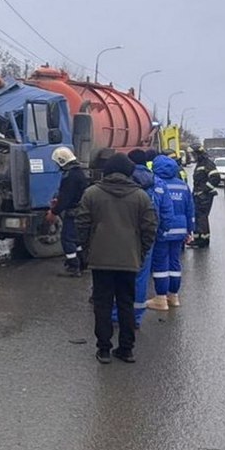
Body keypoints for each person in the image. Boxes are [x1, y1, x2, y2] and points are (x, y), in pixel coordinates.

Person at [76, 153, 157, 364]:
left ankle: (103, 349)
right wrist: (140, 252)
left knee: (102, 304)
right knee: (126, 304)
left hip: (100, 259)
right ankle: (126, 349)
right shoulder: (141, 196)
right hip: (129, 260)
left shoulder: (91, 193)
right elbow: (150, 227)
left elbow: (82, 224)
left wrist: (86, 251)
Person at [110, 149, 174, 328]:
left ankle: (116, 314)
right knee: (140, 277)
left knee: (119, 275)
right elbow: (167, 214)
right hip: (148, 237)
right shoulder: (158, 183)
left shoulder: (122, 182)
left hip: (123, 236)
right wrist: (159, 235)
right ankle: (135, 317)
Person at [146, 155, 195, 310]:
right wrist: (190, 230)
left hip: (163, 229)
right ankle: (173, 296)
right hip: (181, 229)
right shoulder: (183, 186)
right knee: (175, 262)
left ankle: (160, 299)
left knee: (160, 263)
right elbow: (190, 209)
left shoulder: (157, 185)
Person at [46, 146, 89, 277]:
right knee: (76, 240)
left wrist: (54, 211)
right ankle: (82, 263)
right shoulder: (79, 173)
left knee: (67, 239)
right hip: (80, 211)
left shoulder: (69, 176)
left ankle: (73, 267)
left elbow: (66, 197)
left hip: (73, 212)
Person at [190, 144, 220, 248]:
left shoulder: (207, 163)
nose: (192, 156)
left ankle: (204, 240)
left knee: (202, 217)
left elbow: (215, 178)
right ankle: (198, 238)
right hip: (199, 195)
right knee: (198, 216)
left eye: (193, 154)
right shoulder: (200, 163)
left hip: (205, 197)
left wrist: (204, 190)